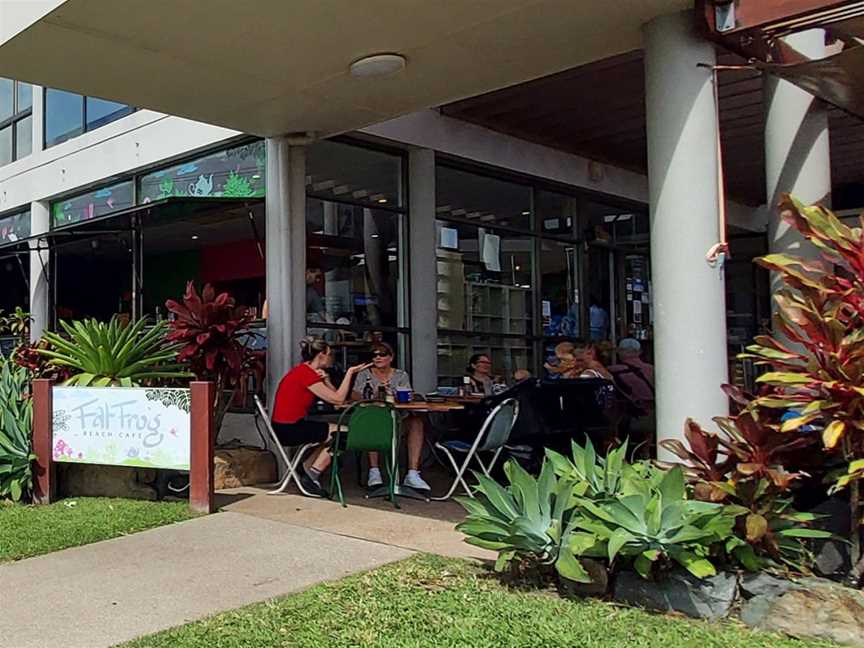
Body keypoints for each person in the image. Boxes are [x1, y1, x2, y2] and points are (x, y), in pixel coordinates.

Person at [271, 337, 371, 498]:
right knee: (344, 434)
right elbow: (338, 399)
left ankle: (307, 468)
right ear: (321, 355)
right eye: (330, 355)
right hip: (288, 429)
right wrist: (350, 373)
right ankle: (312, 475)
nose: (332, 358)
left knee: (336, 433)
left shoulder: (306, 372)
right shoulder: (306, 374)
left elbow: (337, 402)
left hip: (287, 426)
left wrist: (327, 380)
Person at [352, 342, 430, 492]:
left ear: (391, 357)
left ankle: (412, 474)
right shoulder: (365, 374)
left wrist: (393, 393)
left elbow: (409, 395)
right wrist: (372, 394)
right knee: (372, 420)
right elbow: (354, 395)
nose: (378, 357)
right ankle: (374, 472)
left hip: (398, 420)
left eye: (382, 354)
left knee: (416, 423)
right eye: (374, 355)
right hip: (373, 418)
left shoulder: (401, 375)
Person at [608, 338, 655, 414]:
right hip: (655, 414)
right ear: (640, 352)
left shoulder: (613, 370)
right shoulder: (652, 369)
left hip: (636, 414)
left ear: (619, 351)